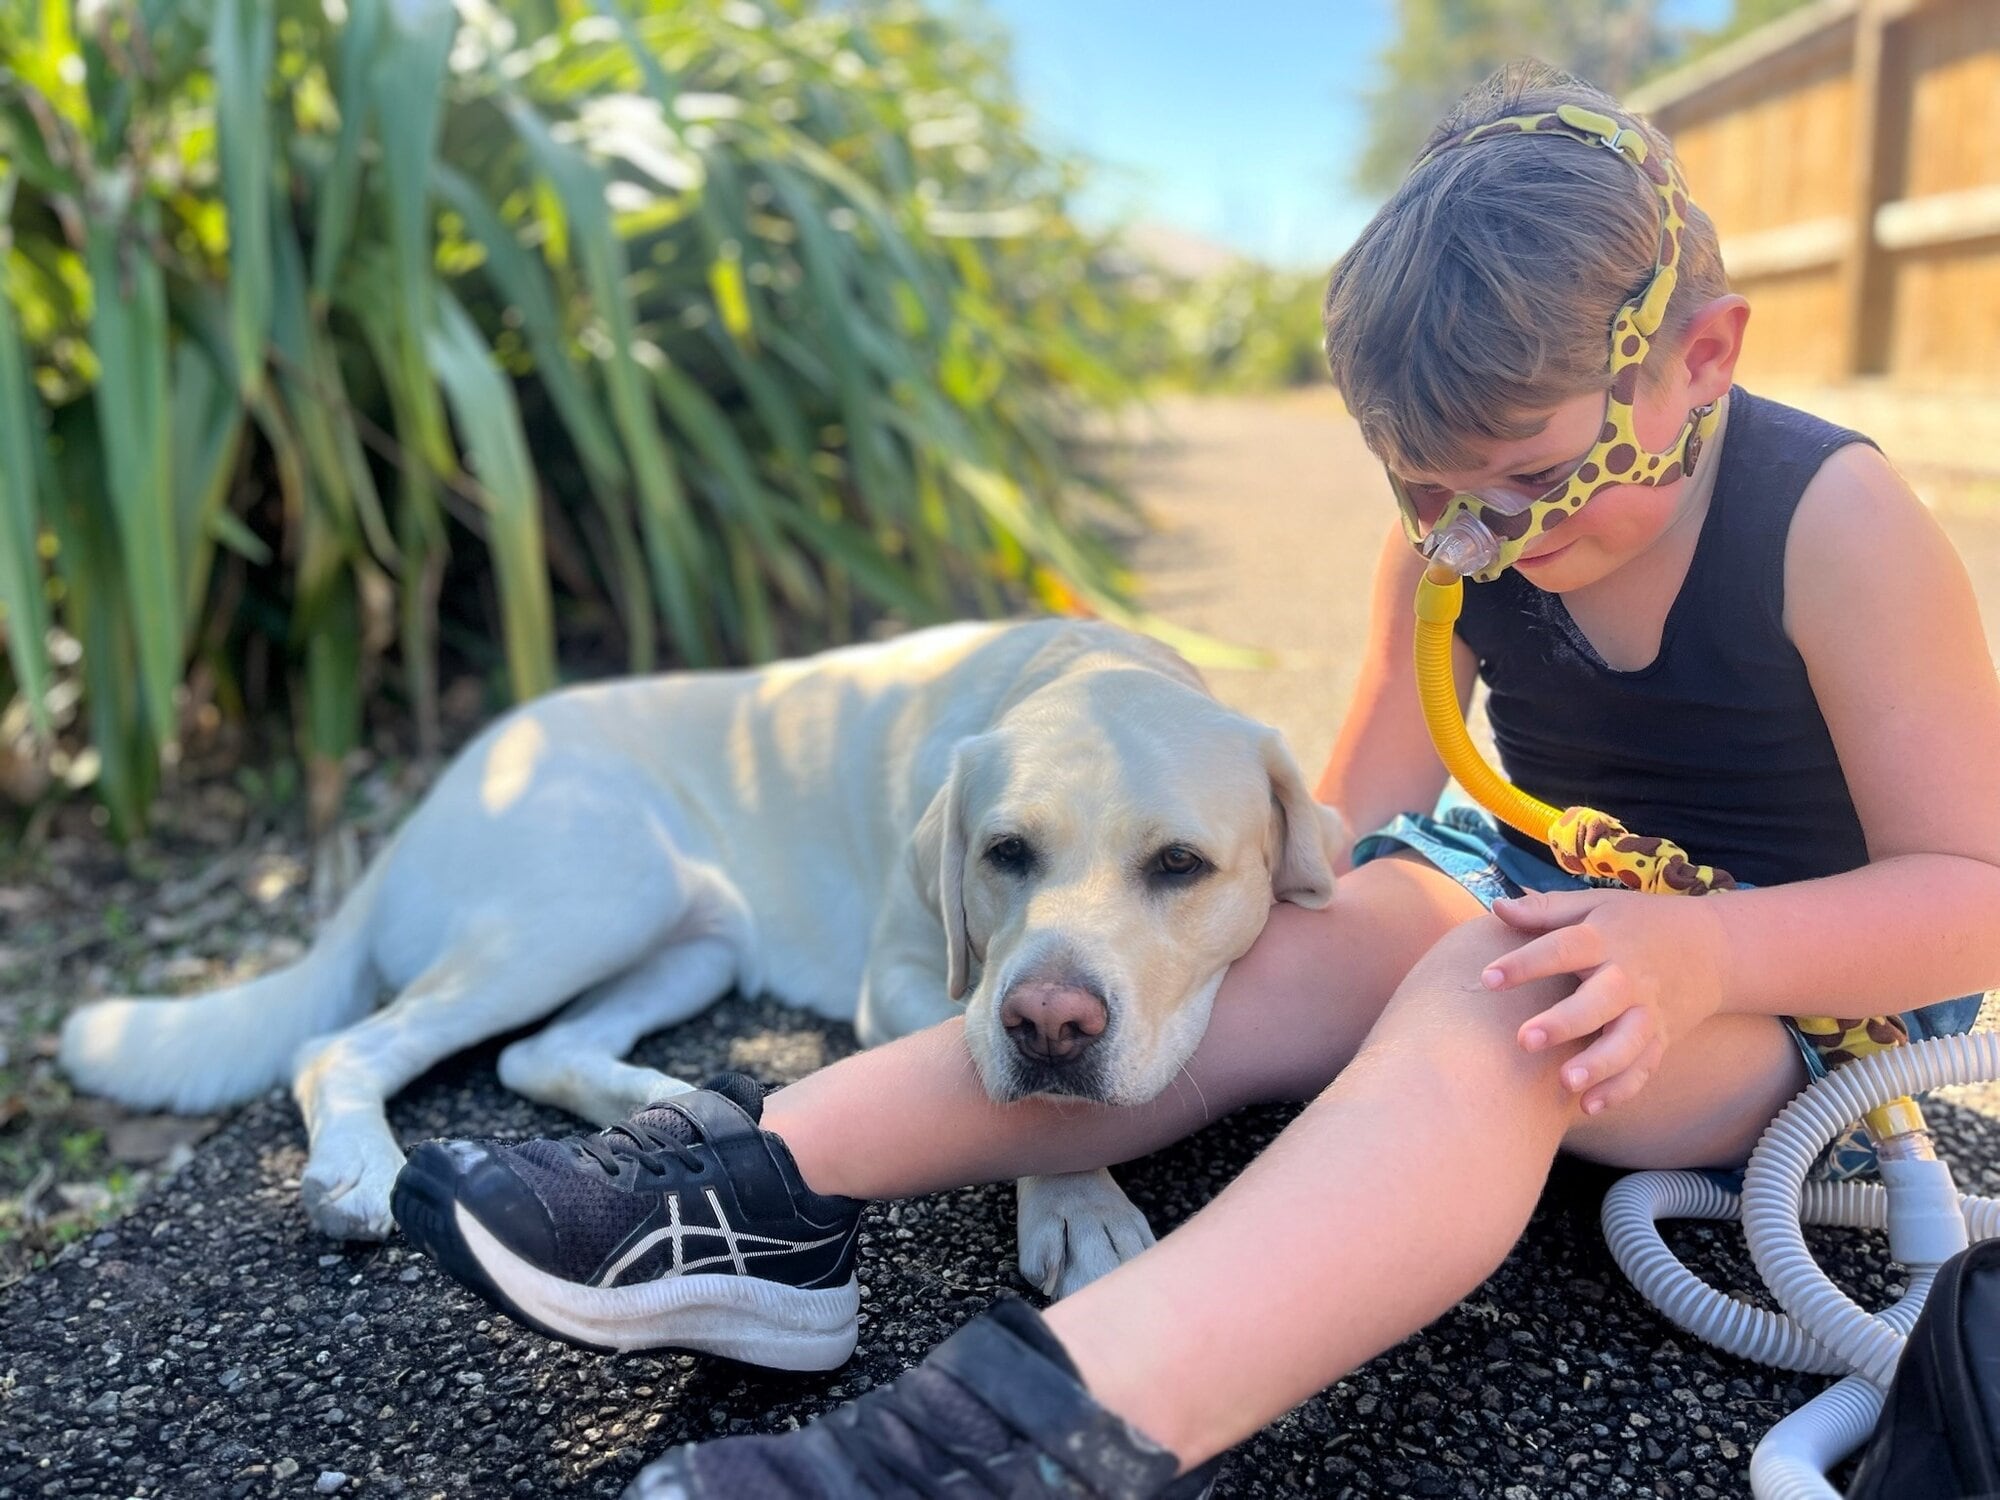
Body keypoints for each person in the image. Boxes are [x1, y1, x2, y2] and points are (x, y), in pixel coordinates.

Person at [391, 62, 2000, 1499]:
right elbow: (1356, 817)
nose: (1473, 536)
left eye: (1522, 477)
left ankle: (1029, 1435)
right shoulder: (1457, 525)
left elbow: (1976, 906)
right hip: (1563, 899)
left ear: (1701, 359)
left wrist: (1705, 950)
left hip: (1793, 1002)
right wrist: (1233, 920)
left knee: (1500, 992)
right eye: (1424, 486)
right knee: (1265, 950)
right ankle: (764, 1189)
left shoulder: (1834, 526)